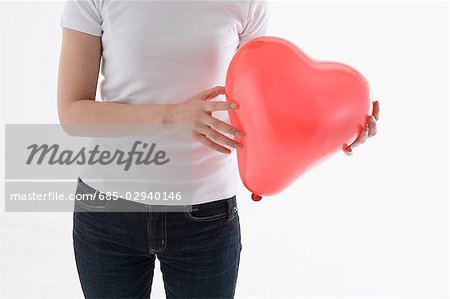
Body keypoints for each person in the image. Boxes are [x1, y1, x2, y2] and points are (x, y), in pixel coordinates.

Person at [57, 1, 379, 298]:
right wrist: (172, 116)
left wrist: (337, 123)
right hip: (108, 213)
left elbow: (268, 95)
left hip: (206, 218)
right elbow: (72, 111)